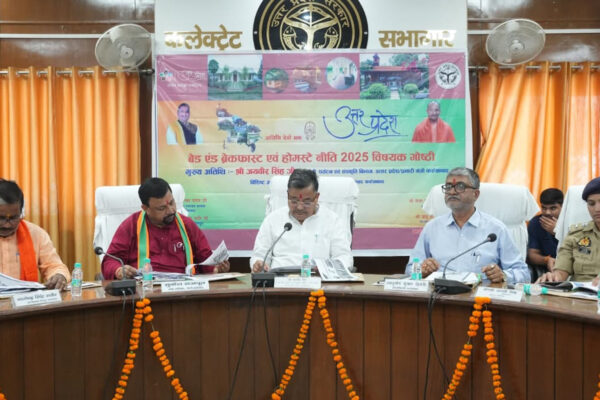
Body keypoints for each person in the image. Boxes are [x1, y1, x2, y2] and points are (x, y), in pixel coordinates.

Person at [407, 167, 529, 284]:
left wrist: (503, 275)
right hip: (439, 294)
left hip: (479, 295)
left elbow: (523, 273)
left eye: (460, 186)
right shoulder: (432, 228)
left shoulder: (496, 229)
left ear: (476, 194)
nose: (452, 192)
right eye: (448, 187)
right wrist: (422, 270)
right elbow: (410, 269)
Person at [101, 177, 229, 279]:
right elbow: (110, 261)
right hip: (145, 291)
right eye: (162, 208)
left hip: (183, 292)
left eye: (172, 203)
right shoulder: (130, 226)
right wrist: (118, 270)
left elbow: (205, 260)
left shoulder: (187, 225)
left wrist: (216, 269)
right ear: (145, 208)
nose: (171, 210)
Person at [250, 169, 353, 272]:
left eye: (306, 202)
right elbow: (259, 256)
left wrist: (327, 269)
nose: (299, 207)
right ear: (288, 195)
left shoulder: (332, 221)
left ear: (316, 197)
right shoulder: (273, 220)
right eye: (294, 201)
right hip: (279, 280)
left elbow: (344, 257)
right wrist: (259, 264)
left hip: (319, 280)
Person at [0, 179, 70, 289]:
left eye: (13, 218)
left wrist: (59, 275)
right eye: (1, 218)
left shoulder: (36, 234)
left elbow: (53, 266)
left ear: (21, 213)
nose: (7, 225)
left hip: (24, 298)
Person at [538, 177, 600, 283]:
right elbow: (561, 273)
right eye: (591, 203)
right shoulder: (575, 235)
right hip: (580, 292)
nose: (597, 209)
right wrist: (553, 278)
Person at [527, 188, 563, 281]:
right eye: (544, 208)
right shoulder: (536, 223)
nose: (547, 212)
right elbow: (532, 254)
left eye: (553, 208)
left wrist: (558, 233)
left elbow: (578, 252)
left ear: (562, 207)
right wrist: (547, 260)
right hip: (547, 271)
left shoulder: (571, 222)